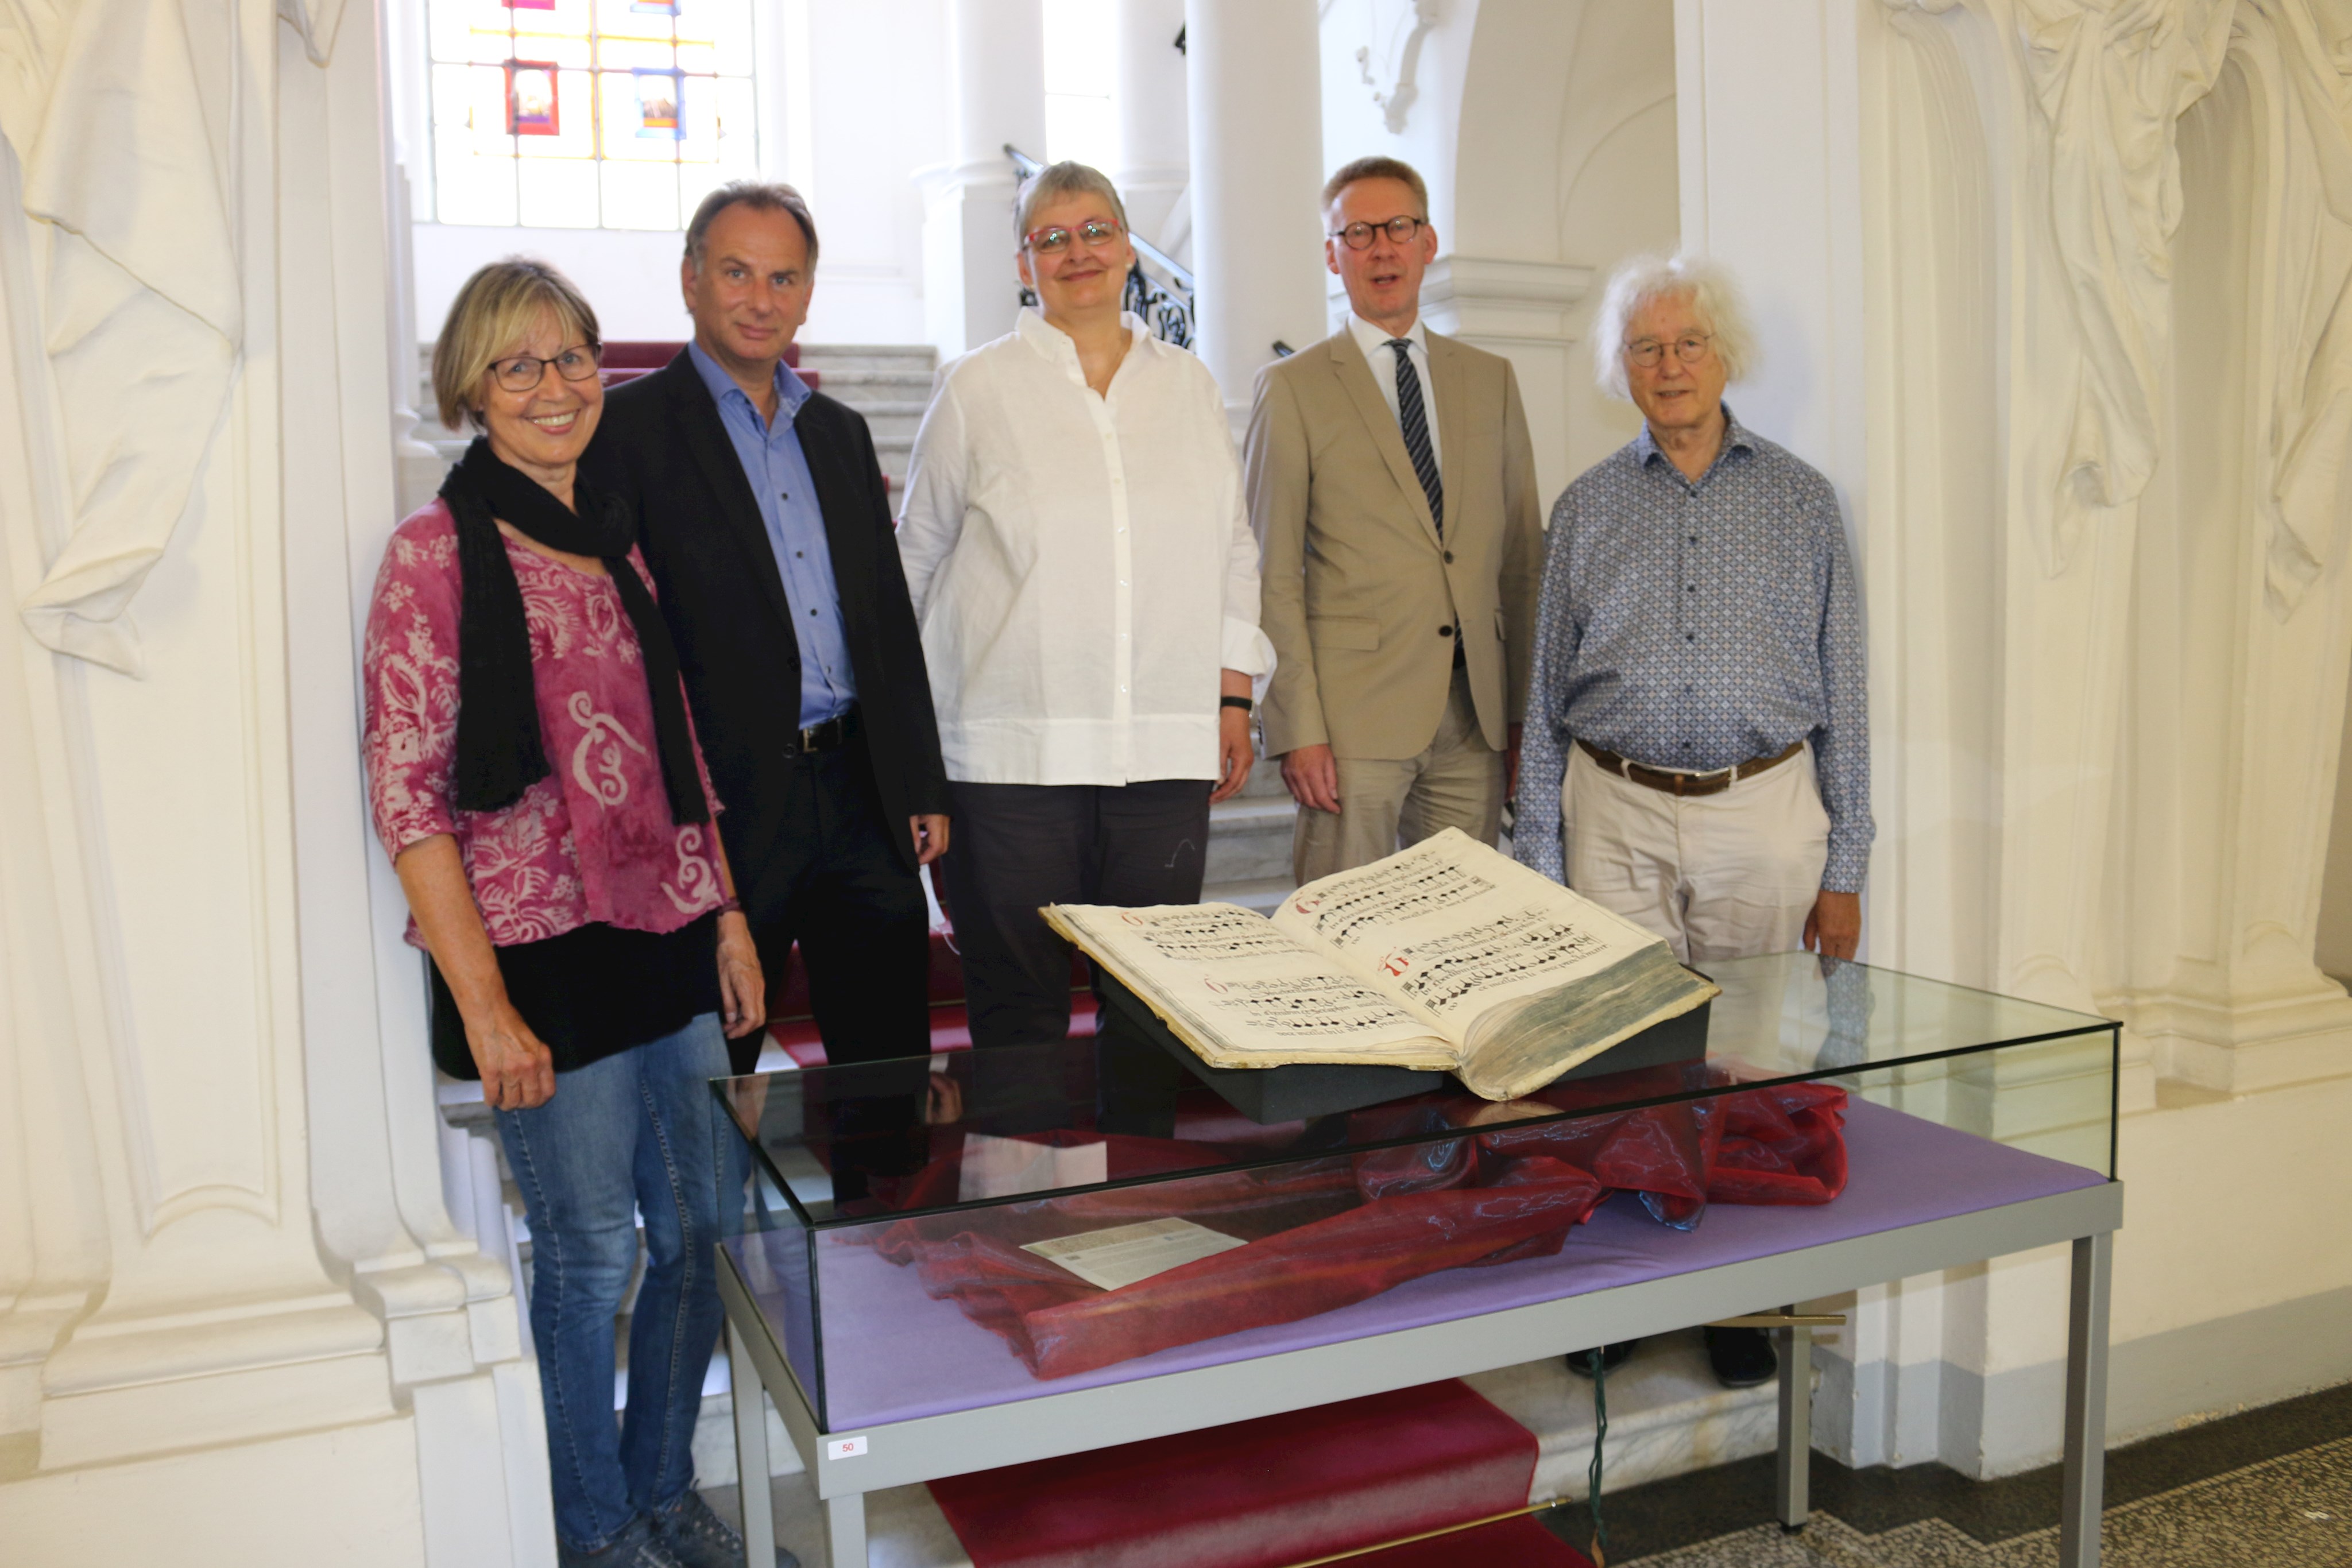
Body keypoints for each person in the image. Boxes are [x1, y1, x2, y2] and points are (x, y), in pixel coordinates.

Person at [363, 259, 778, 1568]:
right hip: (542, 957)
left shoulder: (611, 535)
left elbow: (675, 749)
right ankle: (595, 1533)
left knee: (704, 1227)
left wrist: (727, 919)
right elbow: (410, 797)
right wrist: (483, 1006)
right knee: (592, 1253)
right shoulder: (433, 556)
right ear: (471, 390)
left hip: (663, 933)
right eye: (518, 365)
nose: (553, 387)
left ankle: (664, 1494)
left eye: (571, 357)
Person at [1517, 251, 1873, 1391]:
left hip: (1761, 808)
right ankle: (1623, 1289)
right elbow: (1538, 693)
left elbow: (1846, 688)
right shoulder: (1583, 509)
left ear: (1724, 357)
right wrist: (1536, 854)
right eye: (1643, 348)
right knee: (1617, 1061)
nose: (1666, 367)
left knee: (1749, 1061)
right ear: (1616, 368)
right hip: (1609, 807)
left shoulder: (1803, 502)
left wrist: (1846, 862)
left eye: (1686, 345)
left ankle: (1740, 1301)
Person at [897, 161, 1272, 1047]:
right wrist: (907, 748)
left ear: (1129, 247)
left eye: (1097, 230)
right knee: (1019, 1006)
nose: (1078, 252)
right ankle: (1030, 1191)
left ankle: (1132, 1193)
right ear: (1024, 264)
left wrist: (1231, 695)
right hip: (1008, 757)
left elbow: (1232, 546)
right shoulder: (976, 388)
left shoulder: (1186, 384)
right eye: (1052, 237)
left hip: (1161, 749)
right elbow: (913, 557)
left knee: (1149, 1005)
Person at [590, 183, 951, 1076]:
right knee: (715, 1068)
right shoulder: (624, 429)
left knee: (888, 1069)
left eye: (784, 277)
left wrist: (918, 778)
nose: (761, 299)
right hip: (726, 805)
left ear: (808, 292)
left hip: (861, 795)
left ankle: (892, 1221)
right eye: (737, 273)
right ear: (690, 280)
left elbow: (885, 622)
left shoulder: (840, 432)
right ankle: (709, 1222)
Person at [1247, 155, 1542, 882]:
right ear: (1332, 254)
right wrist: (1296, 729)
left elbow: (1520, 562)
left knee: (1461, 933)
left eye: (1399, 227)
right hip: (1351, 727)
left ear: (1427, 241)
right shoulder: (1292, 389)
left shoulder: (1491, 380)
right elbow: (1270, 573)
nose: (1382, 247)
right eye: (1358, 233)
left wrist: (1520, 718)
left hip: (1475, 721)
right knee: (1340, 936)